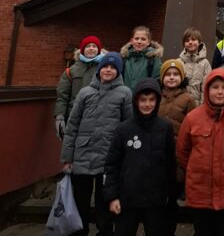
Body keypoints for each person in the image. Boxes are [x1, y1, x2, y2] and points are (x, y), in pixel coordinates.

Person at [60, 52, 132, 236]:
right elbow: (72, 126)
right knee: (80, 199)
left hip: (108, 157)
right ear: (99, 69)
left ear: (119, 71)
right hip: (82, 155)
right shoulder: (85, 93)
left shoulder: (125, 93)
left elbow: (128, 126)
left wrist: (125, 157)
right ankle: (79, 231)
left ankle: (105, 231)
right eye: (105, 67)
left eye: (113, 67)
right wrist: (67, 158)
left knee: (105, 200)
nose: (108, 70)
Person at [177, 68, 224, 236]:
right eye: (215, 87)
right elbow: (183, 151)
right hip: (200, 192)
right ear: (207, 90)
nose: (219, 92)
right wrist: (197, 169)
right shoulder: (192, 118)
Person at [104, 78, 177, 236]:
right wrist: (112, 197)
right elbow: (112, 165)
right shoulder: (123, 129)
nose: (147, 104)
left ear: (157, 101)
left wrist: (171, 198)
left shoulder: (165, 128)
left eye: (151, 100)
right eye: (143, 100)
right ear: (136, 101)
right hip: (127, 199)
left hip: (156, 201)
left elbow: (171, 165)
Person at [158, 57, 196, 226]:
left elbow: (193, 128)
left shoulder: (188, 99)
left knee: (173, 198)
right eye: (168, 74)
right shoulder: (156, 97)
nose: (172, 77)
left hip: (177, 154)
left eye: (175, 74)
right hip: (158, 154)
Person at [54, 35, 106, 140]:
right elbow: (62, 97)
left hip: (99, 117)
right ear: (82, 50)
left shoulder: (106, 69)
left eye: (94, 46)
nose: (91, 48)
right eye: (88, 46)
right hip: (74, 117)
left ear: (99, 50)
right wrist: (59, 116)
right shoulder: (71, 71)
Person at [120, 25, 163, 90]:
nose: (139, 42)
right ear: (131, 41)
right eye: (136, 38)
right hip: (125, 95)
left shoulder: (153, 58)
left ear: (148, 42)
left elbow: (157, 79)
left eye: (143, 39)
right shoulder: (124, 57)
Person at [179, 26, 212, 105]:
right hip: (180, 105)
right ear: (184, 44)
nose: (190, 42)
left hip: (197, 105)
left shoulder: (205, 64)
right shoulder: (179, 62)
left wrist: (202, 106)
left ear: (199, 42)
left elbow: (206, 88)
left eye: (193, 40)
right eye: (187, 40)